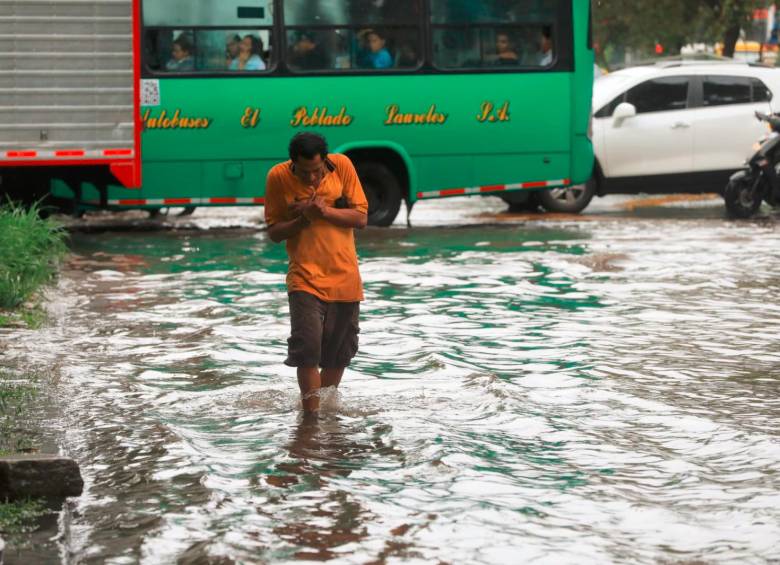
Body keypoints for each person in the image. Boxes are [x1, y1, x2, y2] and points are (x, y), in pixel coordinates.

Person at [264, 133, 368, 417]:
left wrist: (322, 211)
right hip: (303, 278)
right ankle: (310, 419)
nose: (311, 178)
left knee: (339, 352)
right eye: (304, 172)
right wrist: (302, 219)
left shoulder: (342, 166)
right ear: (292, 162)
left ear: (326, 161)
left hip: (345, 276)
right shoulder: (278, 177)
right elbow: (274, 232)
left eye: (317, 171)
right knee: (307, 348)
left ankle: (322, 414)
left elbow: (360, 218)